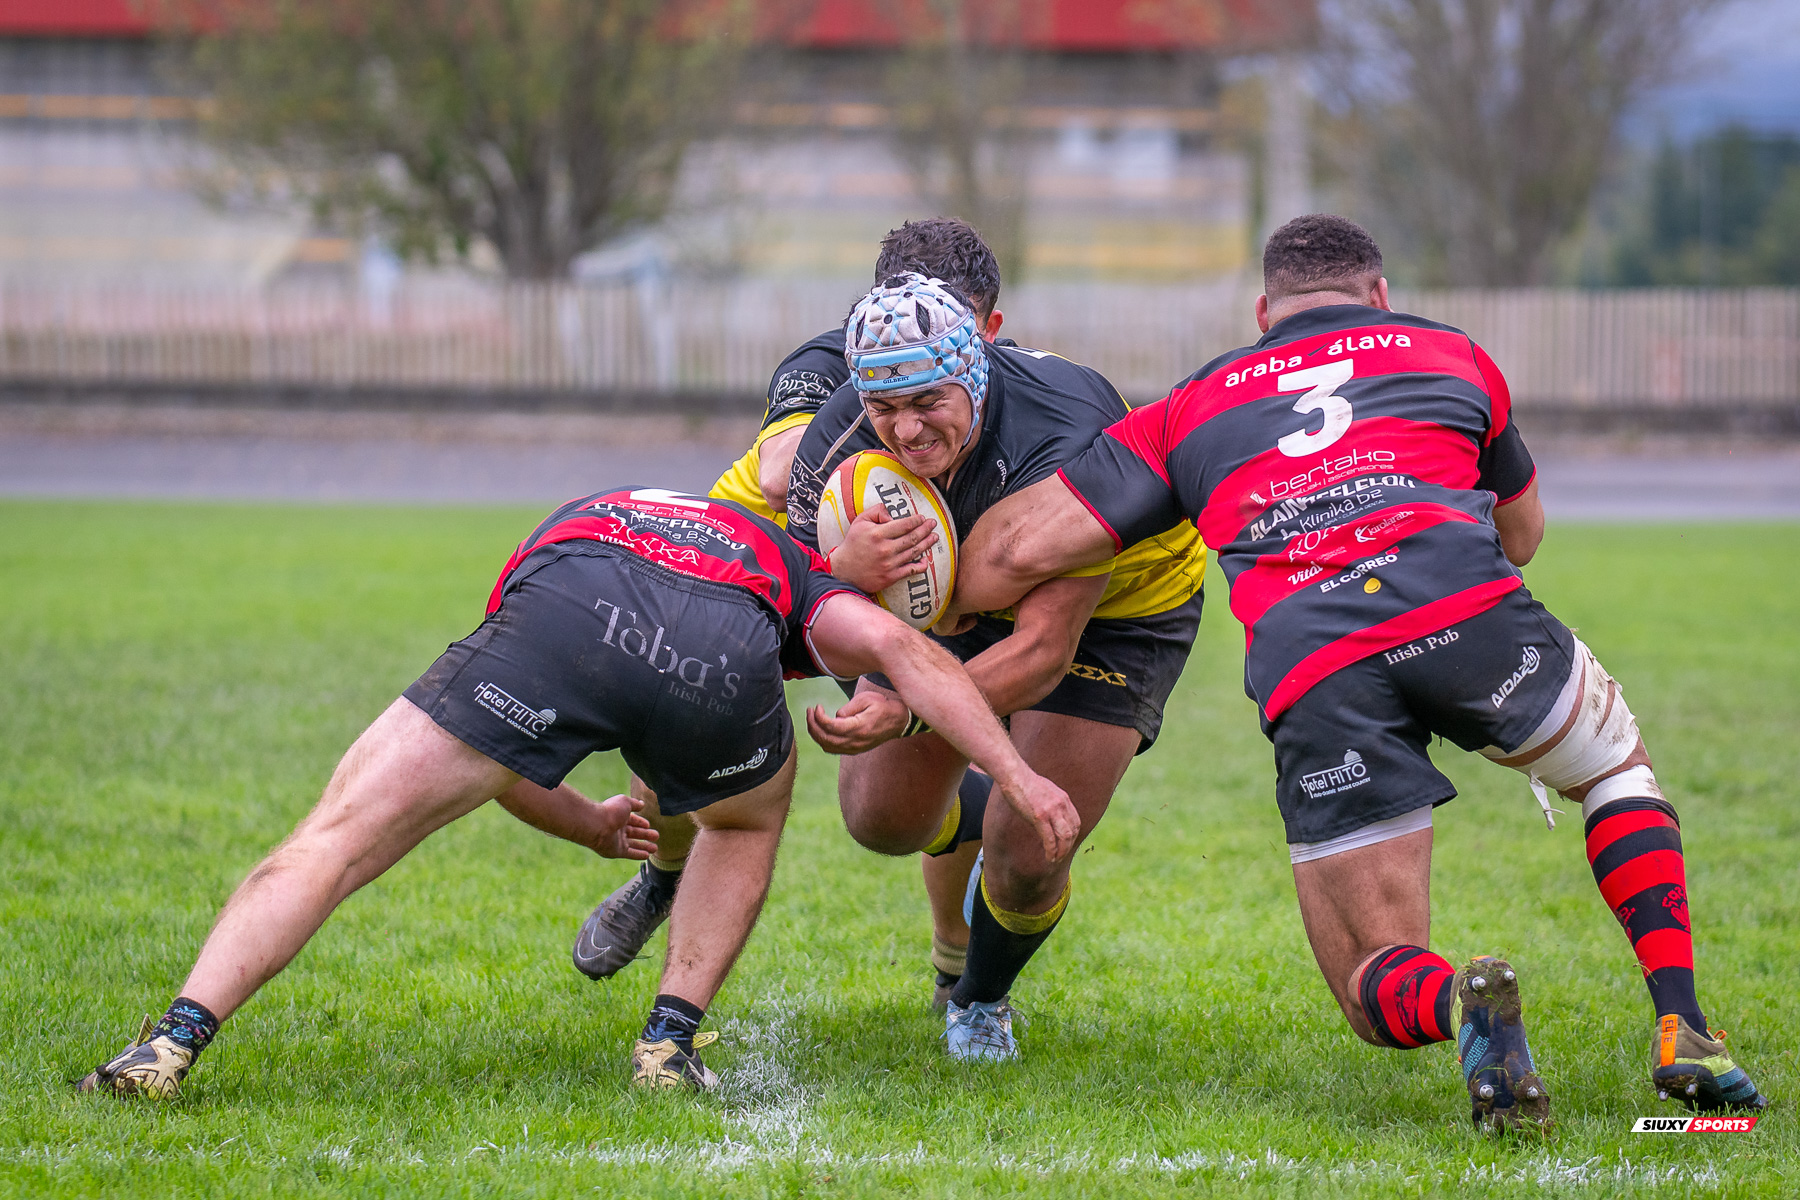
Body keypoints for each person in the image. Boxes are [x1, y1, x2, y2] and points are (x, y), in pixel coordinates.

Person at [941, 214, 1769, 1127]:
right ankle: (1683, 1023)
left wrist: (921, 563)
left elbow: (1011, 557)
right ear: (1380, 294)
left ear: (1264, 312)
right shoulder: (1452, 354)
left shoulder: (1194, 404)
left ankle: (1465, 1006)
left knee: (1370, 976)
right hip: (1465, 609)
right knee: (1616, 768)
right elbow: (1523, 534)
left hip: (1316, 662)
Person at [79, 487, 1076, 1098]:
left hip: (562, 601)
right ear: (830, 563)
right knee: (745, 810)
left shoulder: (604, 518)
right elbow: (912, 655)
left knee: (332, 839)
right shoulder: (796, 573)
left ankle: (169, 1042)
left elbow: (498, 753)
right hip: (717, 651)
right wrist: (1020, 773)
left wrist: (594, 830)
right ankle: (668, 1043)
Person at [573, 220, 1037, 1003]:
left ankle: (955, 958)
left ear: (986, 328)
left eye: (948, 326)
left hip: (899, 581)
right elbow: (791, 475)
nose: (920, 339)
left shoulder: (1000, 388)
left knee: (904, 793)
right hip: (752, 563)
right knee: (675, 740)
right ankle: (663, 876)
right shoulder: (832, 362)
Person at [782, 272, 1208, 1061]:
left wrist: (911, 708)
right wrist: (842, 567)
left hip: (1116, 613)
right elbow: (798, 604)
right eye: (885, 408)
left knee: (1029, 852)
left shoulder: (1067, 433)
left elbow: (1044, 651)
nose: (904, 433)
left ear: (973, 369)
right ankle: (972, 805)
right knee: (881, 819)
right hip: (956, 601)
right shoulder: (842, 431)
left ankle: (979, 998)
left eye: (927, 403)